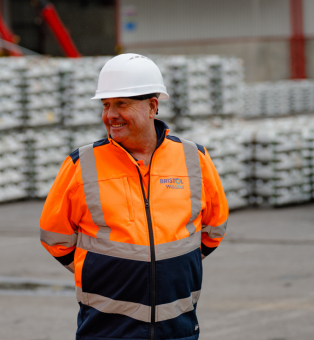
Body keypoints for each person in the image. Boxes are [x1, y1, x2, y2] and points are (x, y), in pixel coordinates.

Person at [40, 53, 229, 340]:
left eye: (121, 104)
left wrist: (171, 264)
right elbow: (55, 237)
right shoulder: (82, 163)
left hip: (177, 327)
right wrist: (99, 270)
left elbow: (214, 228)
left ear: (152, 106)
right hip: (106, 329)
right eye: (106, 105)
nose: (110, 115)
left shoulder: (194, 158)